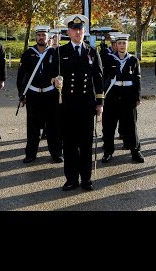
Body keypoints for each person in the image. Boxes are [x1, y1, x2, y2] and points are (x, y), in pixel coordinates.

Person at [54, 14, 104, 191]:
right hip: (67, 106)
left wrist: (100, 103)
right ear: (68, 32)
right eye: (74, 30)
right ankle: (71, 179)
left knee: (85, 144)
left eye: (81, 29)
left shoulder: (91, 51)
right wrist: (55, 81)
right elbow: (52, 75)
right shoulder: (60, 52)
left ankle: (86, 179)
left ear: (84, 31)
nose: (78, 33)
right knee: (69, 144)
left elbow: (98, 78)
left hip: (86, 105)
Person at [17, 25, 62, 163]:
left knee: (53, 125)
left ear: (48, 37)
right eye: (39, 35)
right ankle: (30, 154)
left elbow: (61, 73)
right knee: (33, 126)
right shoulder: (28, 54)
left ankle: (56, 153)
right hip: (33, 94)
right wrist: (22, 95)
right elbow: (21, 77)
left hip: (50, 94)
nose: (41, 37)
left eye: (44, 35)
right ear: (35, 37)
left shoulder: (55, 53)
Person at [101, 34, 144, 164]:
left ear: (128, 45)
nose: (121, 46)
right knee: (109, 126)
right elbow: (103, 78)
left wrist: (137, 96)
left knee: (131, 125)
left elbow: (137, 79)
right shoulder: (108, 59)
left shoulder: (133, 60)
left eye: (124, 43)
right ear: (115, 45)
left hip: (128, 96)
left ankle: (135, 151)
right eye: (119, 43)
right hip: (112, 95)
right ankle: (108, 152)